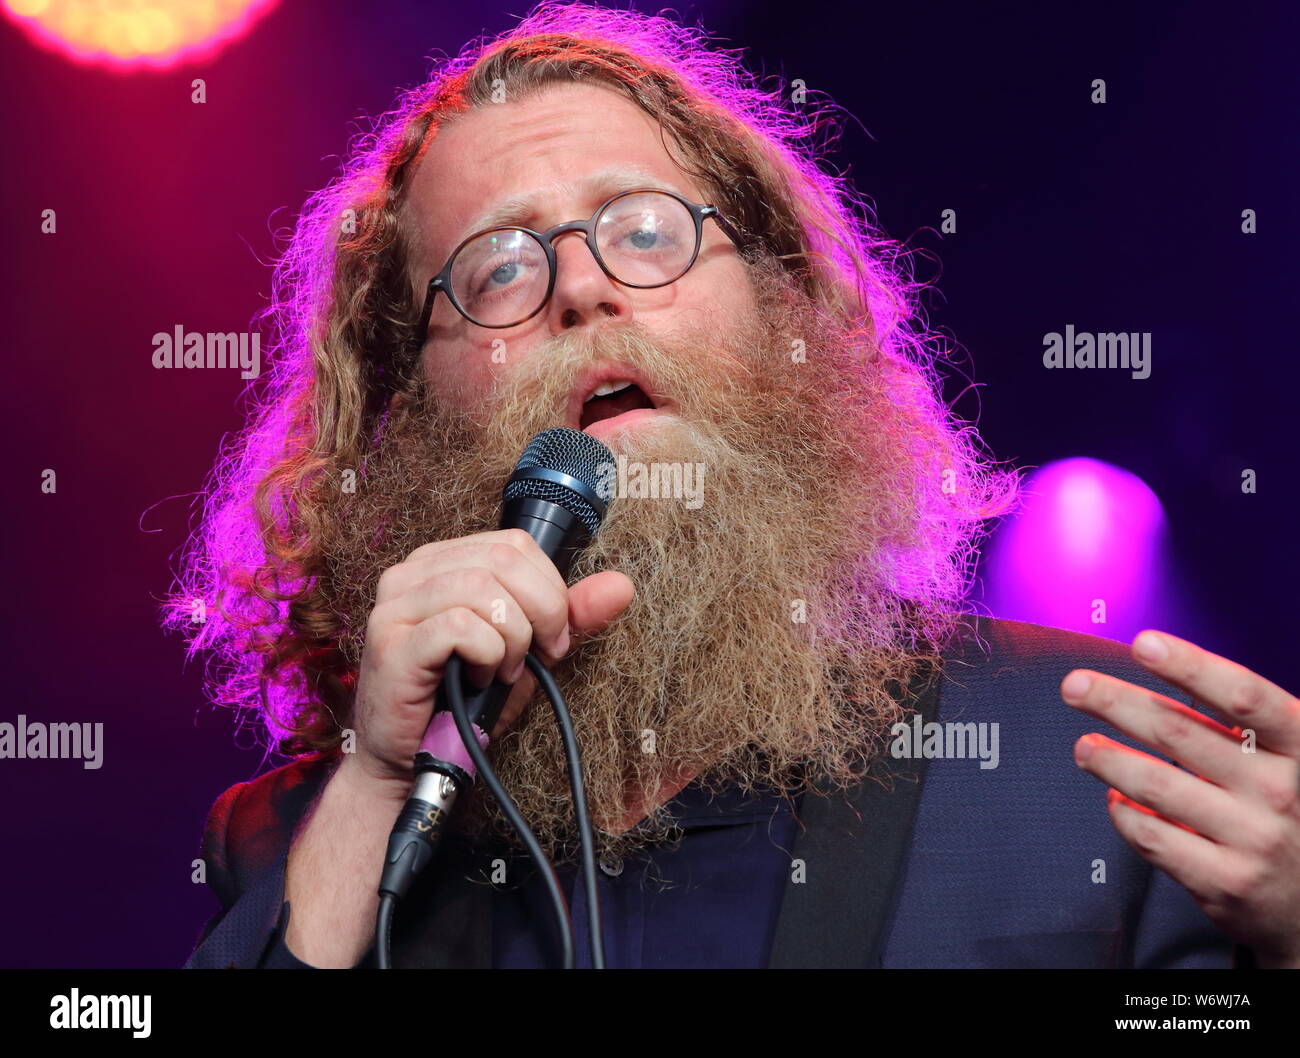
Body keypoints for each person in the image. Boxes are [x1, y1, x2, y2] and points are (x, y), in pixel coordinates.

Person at [173, 3, 1300, 969]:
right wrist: (378, 784)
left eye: (646, 232)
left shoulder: (1100, 767)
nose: (582, 288)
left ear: (779, 302)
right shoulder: (297, 842)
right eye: (499, 268)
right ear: (407, 405)